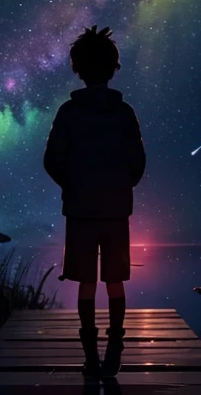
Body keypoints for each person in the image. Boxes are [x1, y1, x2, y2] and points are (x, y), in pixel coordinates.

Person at [43, 25, 146, 377]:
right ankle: (115, 349)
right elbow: (137, 162)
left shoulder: (69, 113)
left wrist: (74, 186)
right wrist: (119, 186)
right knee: (114, 281)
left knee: (86, 282)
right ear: (113, 67)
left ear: (78, 68)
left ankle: (90, 355)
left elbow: (52, 160)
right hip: (116, 211)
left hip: (81, 211)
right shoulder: (124, 112)